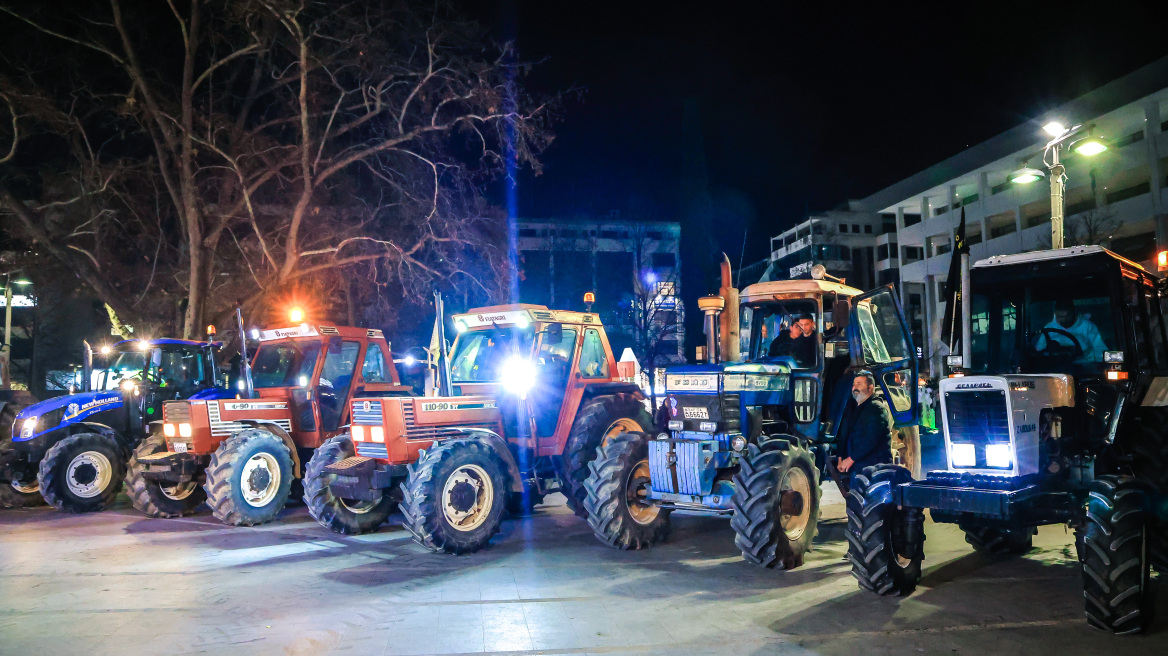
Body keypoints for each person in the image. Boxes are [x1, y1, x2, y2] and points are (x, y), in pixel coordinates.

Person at [835, 370, 896, 486]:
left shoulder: (876, 408)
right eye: (854, 384)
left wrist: (850, 459)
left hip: (874, 469)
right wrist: (840, 457)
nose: (855, 388)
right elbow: (844, 434)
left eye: (859, 384)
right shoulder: (853, 409)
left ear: (870, 388)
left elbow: (871, 439)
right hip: (858, 468)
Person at [1035, 299, 1108, 363]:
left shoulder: (1088, 326)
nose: (1064, 320)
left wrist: (1095, 360)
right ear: (1056, 314)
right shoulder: (1049, 328)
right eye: (1061, 317)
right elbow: (1039, 349)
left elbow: (1099, 348)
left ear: (1073, 312)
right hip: (1054, 366)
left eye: (1068, 316)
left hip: (1082, 365)